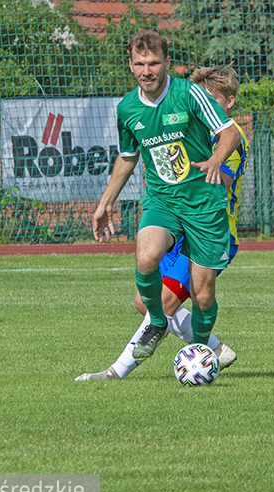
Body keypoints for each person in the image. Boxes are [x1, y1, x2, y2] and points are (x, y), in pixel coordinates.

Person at [77, 66, 248, 381]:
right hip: (176, 224)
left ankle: (117, 371)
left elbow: (217, 183)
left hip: (208, 227)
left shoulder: (230, 139)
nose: (203, 105)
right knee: (145, 301)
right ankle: (215, 351)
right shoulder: (187, 125)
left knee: (168, 302)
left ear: (228, 103)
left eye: (212, 100)